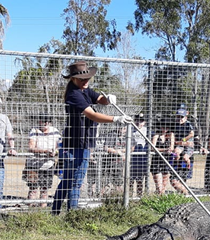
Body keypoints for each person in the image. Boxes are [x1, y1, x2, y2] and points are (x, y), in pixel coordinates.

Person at [51, 61, 132, 215]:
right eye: (82, 79)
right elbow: (92, 115)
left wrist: (107, 99)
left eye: (87, 78)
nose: (85, 81)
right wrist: (116, 119)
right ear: (74, 79)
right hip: (76, 144)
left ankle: (55, 213)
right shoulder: (74, 94)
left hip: (81, 143)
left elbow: (99, 98)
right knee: (75, 182)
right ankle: (72, 216)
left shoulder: (85, 90)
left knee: (68, 181)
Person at [24, 113, 61, 207]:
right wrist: (44, 151)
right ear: (39, 121)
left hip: (48, 164)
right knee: (33, 189)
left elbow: (58, 147)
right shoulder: (34, 130)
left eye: (48, 121)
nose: (46, 123)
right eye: (43, 121)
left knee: (45, 189)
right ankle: (30, 209)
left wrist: (55, 152)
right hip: (33, 164)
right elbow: (31, 147)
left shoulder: (55, 132)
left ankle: (42, 209)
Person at [169, 105, 195, 195]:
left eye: (182, 117)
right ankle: (183, 192)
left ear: (185, 117)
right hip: (180, 144)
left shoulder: (188, 124)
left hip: (188, 145)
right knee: (176, 152)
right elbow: (173, 137)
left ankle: (187, 164)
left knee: (186, 157)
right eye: (178, 117)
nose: (180, 119)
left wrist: (184, 140)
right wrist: (178, 143)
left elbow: (192, 134)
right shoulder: (174, 125)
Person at [150, 118, 174, 195]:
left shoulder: (170, 135)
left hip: (166, 161)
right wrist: (164, 150)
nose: (165, 129)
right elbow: (152, 148)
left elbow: (172, 147)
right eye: (163, 127)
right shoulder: (156, 135)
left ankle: (160, 201)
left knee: (163, 187)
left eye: (167, 127)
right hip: (157, 161)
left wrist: (170, 149)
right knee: (159, 187)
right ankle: (157, 199)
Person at [129, 113, 149, 197]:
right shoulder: (130, 130)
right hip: (133, 156)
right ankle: (129, 196)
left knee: (140, 178)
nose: (139, 123)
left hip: (142, 156)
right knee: (131, 178)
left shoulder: (146, 130)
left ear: (144, 122)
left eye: (141, 121)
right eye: (137, 120)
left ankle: (139, 196)